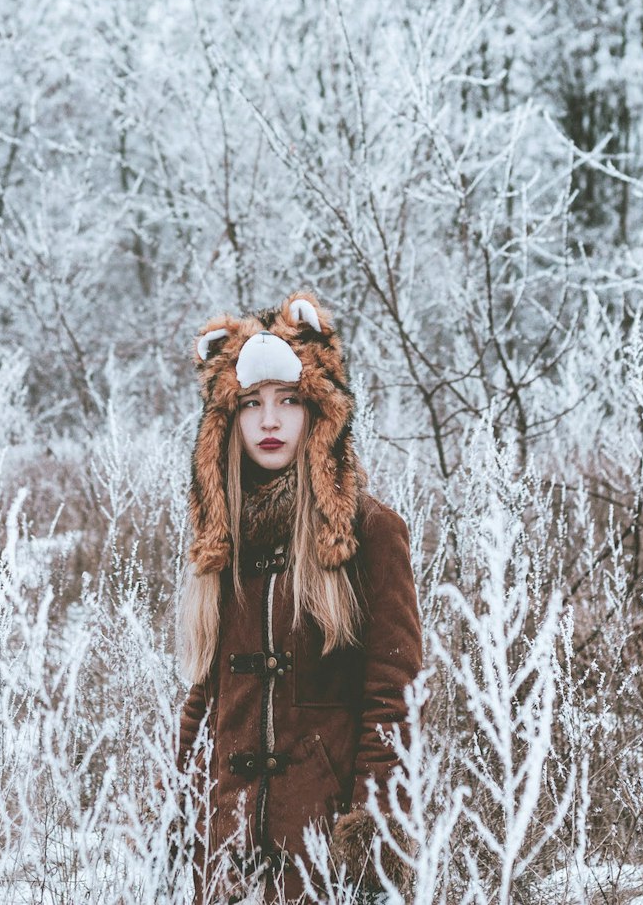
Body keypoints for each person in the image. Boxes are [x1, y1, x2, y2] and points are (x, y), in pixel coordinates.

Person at [175, 290, 423, 903]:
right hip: (226, 858)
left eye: (288, 401)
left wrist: (369, 838)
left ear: (320, 412)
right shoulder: (222, 539)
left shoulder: (370, 533)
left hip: (321, 859)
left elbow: (393, 696)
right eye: (251, 405)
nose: (268, 421)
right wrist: (179, 814)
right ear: (224, 424)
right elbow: (207, 699)